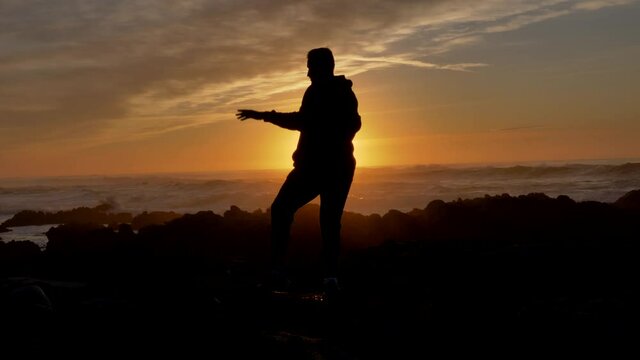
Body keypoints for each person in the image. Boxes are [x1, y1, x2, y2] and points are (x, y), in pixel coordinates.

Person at [236, 48, 361, 296]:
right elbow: (353, 123)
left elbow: (304, 121)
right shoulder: (339, 92)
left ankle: (286, 273)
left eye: (310, 66)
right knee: (328, 221)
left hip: (319, 168)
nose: (307, 73)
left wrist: (264, 116)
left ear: (324, 66)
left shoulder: (330, 92)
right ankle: (328, 278)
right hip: (336, 166)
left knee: (287, 210)